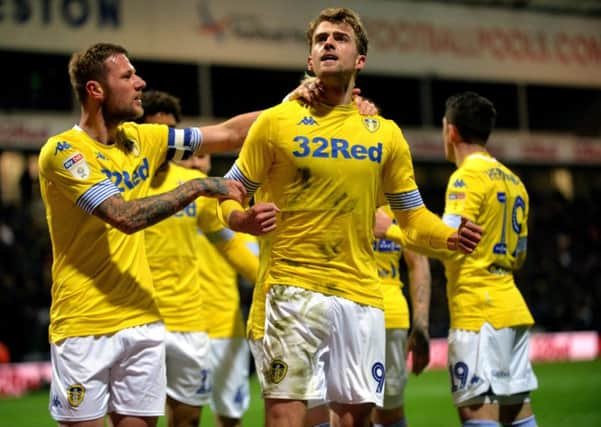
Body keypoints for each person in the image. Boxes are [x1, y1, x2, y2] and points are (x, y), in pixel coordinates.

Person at [218, 8, 482, 427]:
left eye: (340, 38)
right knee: (286, 417)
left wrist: (450, 236)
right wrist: (240, 220)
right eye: (320, 39)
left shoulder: (386, 134)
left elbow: (412, 218)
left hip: (361, 295)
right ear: (309, 61)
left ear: (359, 60)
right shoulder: (274, 123)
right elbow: (229, 193)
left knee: (356, 420)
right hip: (291, 290)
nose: (328, 43)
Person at [38, 42, 253, 427]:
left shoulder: (143, 139)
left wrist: (301, 106)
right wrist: (198, 187)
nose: (140, 82)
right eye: (127, 76)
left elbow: (228, 133)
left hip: (143, 322)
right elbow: (122, 216)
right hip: (85, 325)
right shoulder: (64, 153)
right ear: (95, 90)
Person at [139, 89, 258, 427]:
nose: (165, 142)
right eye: (156, 133)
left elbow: (229, 244)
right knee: (138, 419)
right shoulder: (124, 185)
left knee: (189, 419)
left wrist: (267, 276)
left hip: (190, 322)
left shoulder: (194, 184)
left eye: (170, 133)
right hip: (138, 319)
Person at [439, 92, 538, 427]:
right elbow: (520, 256)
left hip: (478, 314)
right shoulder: (515, 182)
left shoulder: (466, 177)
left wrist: (392, 232)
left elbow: (447, 243)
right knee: (517, 413)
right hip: (512, 310)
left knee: (478, 414)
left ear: (450, 131)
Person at [371, 205, 432, 427]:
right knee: (391, 412)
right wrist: (421, 325)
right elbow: (419, 261)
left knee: (344, 411)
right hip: (392, 315)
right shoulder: (400, 203)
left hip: (351, 311)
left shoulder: (342, 188)